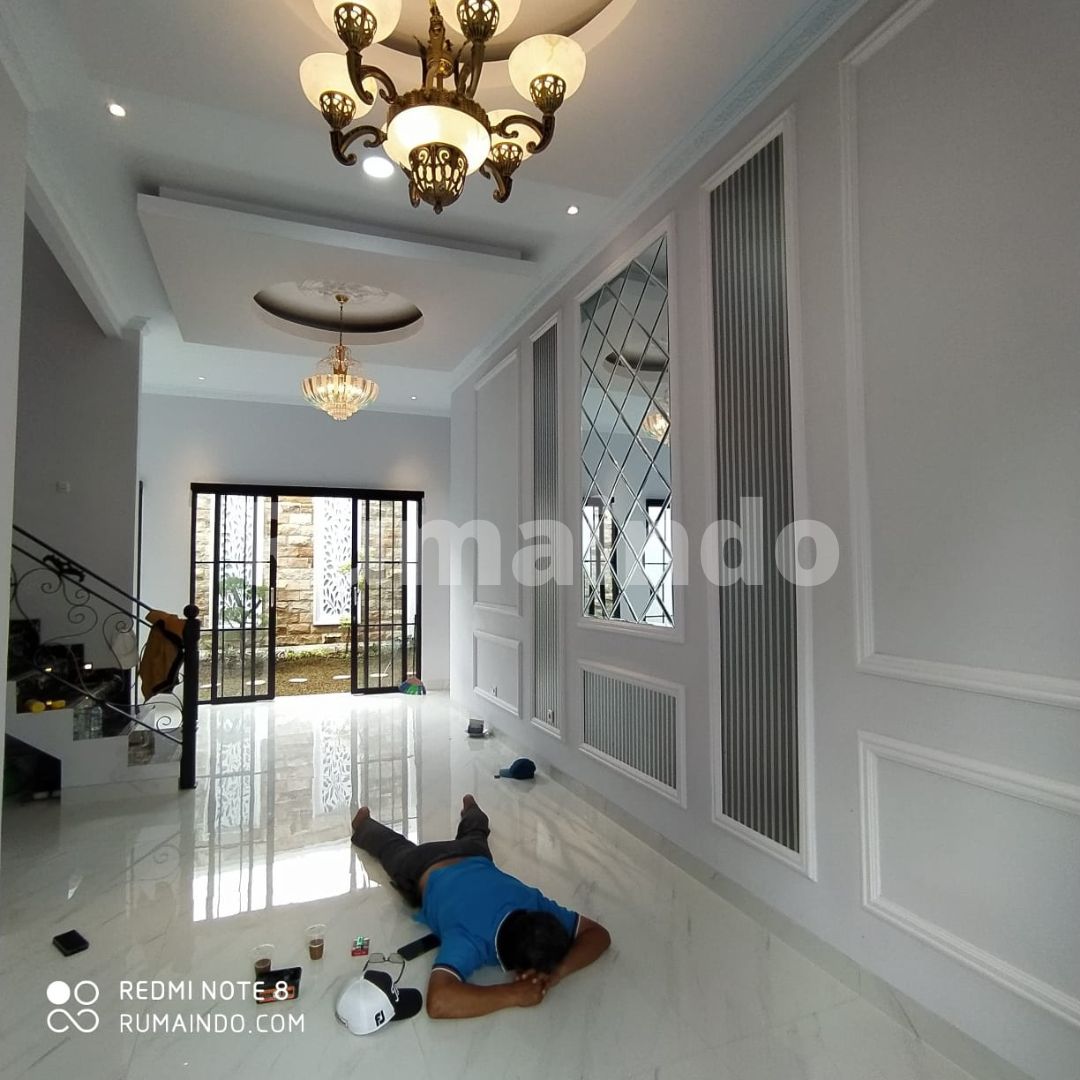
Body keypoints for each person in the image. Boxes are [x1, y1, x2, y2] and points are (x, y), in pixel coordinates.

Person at [351, 795, 611, 1019]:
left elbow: (599, 934)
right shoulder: (469, 939)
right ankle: (362, 824)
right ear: (515, 968)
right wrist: (514, 994)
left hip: (470, 854)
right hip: (423, 865)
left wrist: (558, 971)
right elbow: (438, 1002)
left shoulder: (533, 905)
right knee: (390, 847)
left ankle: (470, 807)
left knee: (476, 830)